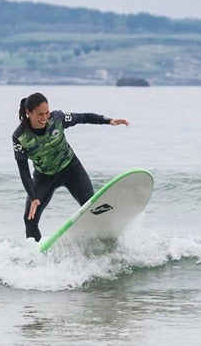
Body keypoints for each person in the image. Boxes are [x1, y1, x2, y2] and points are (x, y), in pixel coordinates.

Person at [12, 92, 130, 241]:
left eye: (47, 113)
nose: (45, 118)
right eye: (40, 114)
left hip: (71, 169)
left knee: (90, 207)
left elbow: (84, 117)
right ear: (28, 113)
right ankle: (37, 255)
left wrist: (108, 120)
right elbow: (23, 171)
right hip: (44, 177)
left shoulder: (57, 119)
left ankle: (106, 238)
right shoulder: (19, 136)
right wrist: (33, 197)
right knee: (29, 219)